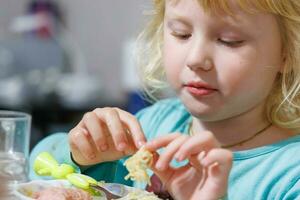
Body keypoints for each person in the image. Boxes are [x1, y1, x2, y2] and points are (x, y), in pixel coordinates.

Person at [29, 0, 300, 199]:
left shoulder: (290, 176)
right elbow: (34, 168)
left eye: (229, 40)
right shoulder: (155, 122)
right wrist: (80, 154)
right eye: (181, 33)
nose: (195, 59)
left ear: (286, 52)